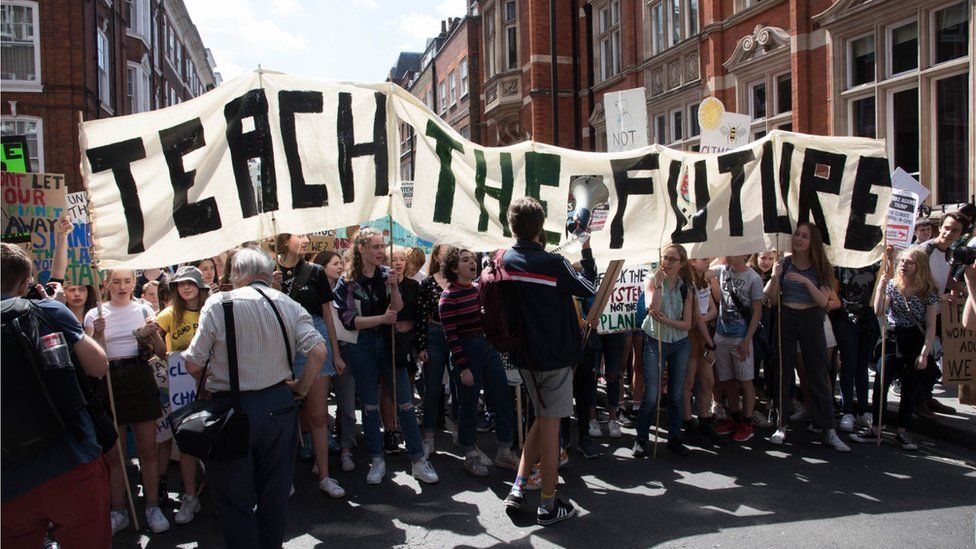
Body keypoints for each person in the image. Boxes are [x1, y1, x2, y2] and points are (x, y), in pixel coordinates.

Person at [183, 248, 327, 549]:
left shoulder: (219, 304)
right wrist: (300, 388)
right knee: (274, 495)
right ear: (266, 273)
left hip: (230, 410)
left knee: (234, 501)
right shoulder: (289, 304)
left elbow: (193, 364)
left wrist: (206, 379)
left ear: (237, 274)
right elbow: (318, 351)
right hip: (278, 406)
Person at [1, 243, 112, 549]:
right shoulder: (48, 310)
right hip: (70, 459)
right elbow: (98, 366)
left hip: (8, 482)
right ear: (25, 283)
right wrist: (61, 312)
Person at [501, 197, 596, 526]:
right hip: (554, 356)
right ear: (540, 226)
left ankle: (517, 487)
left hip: (523, 356)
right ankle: (547, 504)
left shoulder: (503, 259)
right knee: (553, 426)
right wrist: (585, 250)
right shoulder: (552, 263)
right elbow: (589, 287)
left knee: (541, 421)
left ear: (511, 224)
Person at [334, 228, 439, 485]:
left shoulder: (385, 275)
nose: (381, 251)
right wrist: (382, 319)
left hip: (390, 344)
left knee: (404, 402)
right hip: (363, 346)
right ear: (361, 249)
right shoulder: (347, 281)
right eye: (376, 247)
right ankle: (377, 459)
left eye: (382, 246)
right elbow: (349, 321)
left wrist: (393, 287)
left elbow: (399, 307)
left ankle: (417, 459)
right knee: (369, 405)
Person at [83, 269, 171, 533]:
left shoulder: (144, 309)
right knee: (115, 455)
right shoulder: (94, 314)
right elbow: (89, 359)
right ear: (107, 283)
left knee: (147, 449)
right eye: (117, 281)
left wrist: (151, 332)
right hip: (108, 380)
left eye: (128, 281)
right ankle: (118, 510)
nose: (122, 286)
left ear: (135, 282)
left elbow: (160, 351)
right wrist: (97, 334)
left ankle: (152, 506)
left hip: (139, 376)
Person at [764, 223, 850, 452]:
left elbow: (824, 302)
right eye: (797, 234)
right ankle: (781, 425)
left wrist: (804, 282)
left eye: (804, 236)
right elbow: (771, 299)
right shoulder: (784, 263)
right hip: (787, 317)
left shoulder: (821, 267)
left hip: (812, 317)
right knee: (783, 371)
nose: (798, 239)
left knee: (819, 372)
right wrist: (774, 277)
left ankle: (828, 428)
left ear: (813, 242)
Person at [274, 234, 346, 498]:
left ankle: (325, 475)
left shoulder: (315, 272)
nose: (305, 239)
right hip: (280, 344)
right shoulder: (268, 269)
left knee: (317, 415)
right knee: (282, 417)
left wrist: (335, 353)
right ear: (284, 239)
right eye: (298, 235)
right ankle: (283, 477)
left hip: (314, 340)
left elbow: (327, 315)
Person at [850, 247, 939, 451]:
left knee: (910, 387)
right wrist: (881, 288)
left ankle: (902, 431)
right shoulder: (892, 285)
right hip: (893, 336)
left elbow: (931, 326)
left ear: (919, 267)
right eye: (902, 261)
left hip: (915, 339)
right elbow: (880, 310)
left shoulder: (928, 292)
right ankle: (876, 428)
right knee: (881, 379)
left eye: (909, 262)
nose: (903, 265)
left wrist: (924, 353)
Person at [438, 248, 517, 476]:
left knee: (502, 398)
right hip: (467, 352)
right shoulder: (448, 297)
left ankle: (504, 450)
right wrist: (463, 367)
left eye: (472, 259)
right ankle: (470, 454)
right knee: (469, 406)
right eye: (465, 260)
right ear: (454, 269)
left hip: (488, 348)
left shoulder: (479, 289)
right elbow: (451, 337)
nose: (472, 262)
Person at [154, 266, 210, 524]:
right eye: (180, 284)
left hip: (212, 386)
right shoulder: (169, 314)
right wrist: (149, 332)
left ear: (200, 285)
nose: (185, 288)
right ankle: (190, 496)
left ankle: (221, 492)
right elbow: (155, 339)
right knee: (187, 441)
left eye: (190, 283)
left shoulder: (212, 309)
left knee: (216, 439)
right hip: (183, 388)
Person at [633, 244, 696, 456]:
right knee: (651, 394)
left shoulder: (687, 285)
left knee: (677, 393)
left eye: (672, 259)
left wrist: (667, 321)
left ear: (682, 263)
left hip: (679, 342)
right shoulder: (652, 279)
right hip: (655, 338)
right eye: (665, 258)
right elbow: (653, 309)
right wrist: (658, 285)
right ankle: (641, 439)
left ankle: (674, 437)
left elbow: (687, 324)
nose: (667, 263)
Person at [710, 254, 763, 444]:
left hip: (741, 337)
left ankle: (746, 423)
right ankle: (735, 417)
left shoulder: (754, 278)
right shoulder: (722, 270)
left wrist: (747, 339)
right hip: (722, 334)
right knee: (727, 380)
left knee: (745, 380)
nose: (730, 254)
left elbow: (757, 312)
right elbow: (703, 271)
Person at [314, 250, 358, 473]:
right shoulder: (312, 292)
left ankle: (346, 448)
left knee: (347, 405)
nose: (340, 267)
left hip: (343, 349)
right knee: (319, 410)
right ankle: (320, 452)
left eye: (341, 263)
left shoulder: (346, 287)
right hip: (320, 351)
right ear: (322, 267)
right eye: (334, 263)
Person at [415, 243, 456, 457]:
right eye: (445, 251)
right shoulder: (427, 283)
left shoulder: (460, 282)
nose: (450, 254)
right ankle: (428, 438)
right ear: (437, 256)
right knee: (432, 389)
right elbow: (422, 315)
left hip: (458, 335)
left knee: (462, 387)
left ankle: (464, 436)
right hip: (435, 334)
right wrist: (421, 346)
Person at [832, 262, 880, 432]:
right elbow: (834, 291)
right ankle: (847, 411)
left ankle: (863, 409)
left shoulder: (876, 265)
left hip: (868, 321)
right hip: (846, 320)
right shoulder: (841, 265)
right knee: (848, 365)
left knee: (862, 366)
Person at [682, 257, 720, 445]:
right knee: (688, 382)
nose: (708, 261)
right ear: (692, 261)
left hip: (703, 333)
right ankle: (688, 423)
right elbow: (695, 315)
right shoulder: (687, 283)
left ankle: (704, 421)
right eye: (704, 259)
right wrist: (702, 322)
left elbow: (713, 309)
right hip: (691, 335)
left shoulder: (704, 280)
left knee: (708, 380)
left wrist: (703, 320)